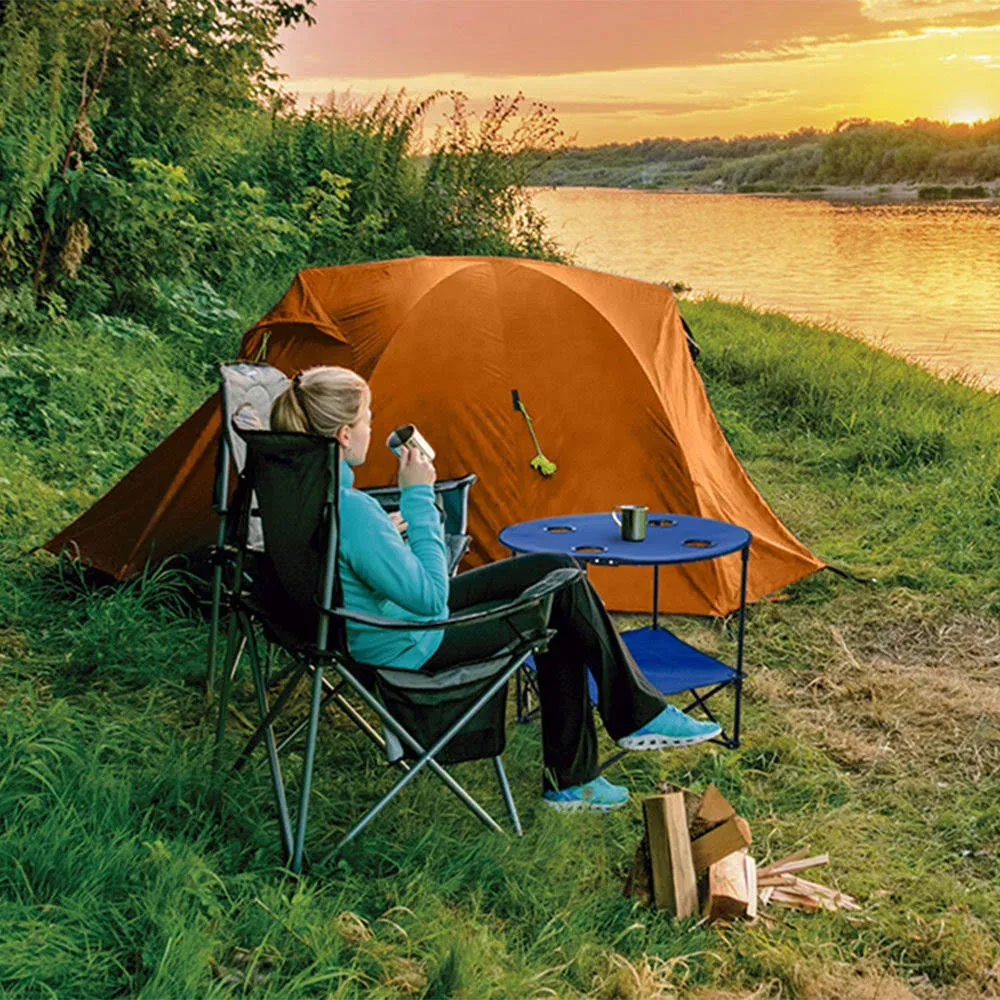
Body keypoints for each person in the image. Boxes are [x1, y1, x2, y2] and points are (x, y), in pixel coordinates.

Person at [270, 366, 721, 811]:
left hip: (377, 624)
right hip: (411, 641)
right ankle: (608, 743)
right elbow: (432, 597)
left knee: (556, 567)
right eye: (368, 416)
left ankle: (607, 745)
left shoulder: (307, 495)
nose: (373, 424)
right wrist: (418, 497)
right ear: (344, 435)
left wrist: (387, 539)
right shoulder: (355, 512)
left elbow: (353, 561)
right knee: (561, 597)